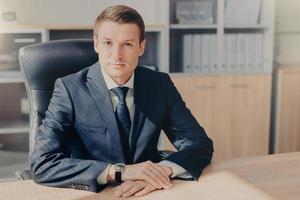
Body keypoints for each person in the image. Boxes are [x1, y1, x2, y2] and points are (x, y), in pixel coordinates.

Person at [30, 5, 213, 198]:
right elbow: (42, 163)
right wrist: (119, 172)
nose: (117, 55)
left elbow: (199, 143)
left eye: (127, 44)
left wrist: (162, 171)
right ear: (96, 44)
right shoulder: (69, 89)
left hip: (148, 192)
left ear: (141, 47)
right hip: (98, 193)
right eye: (108, 43)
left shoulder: (160, 85)